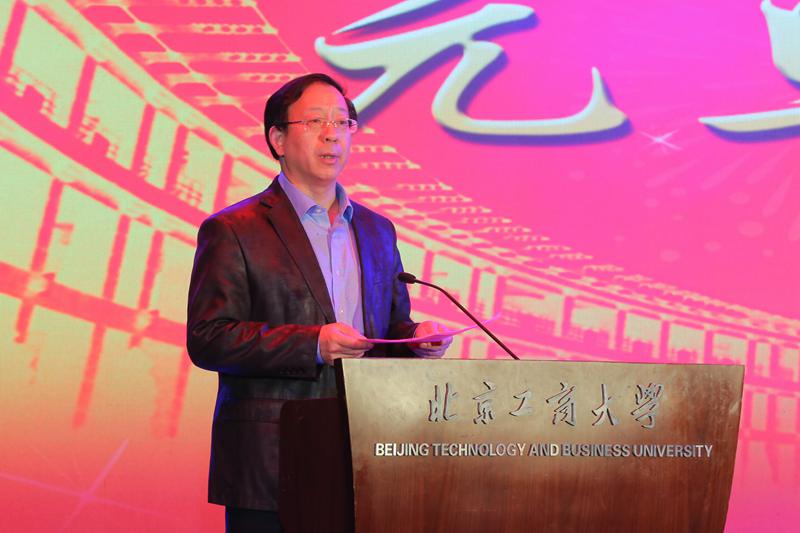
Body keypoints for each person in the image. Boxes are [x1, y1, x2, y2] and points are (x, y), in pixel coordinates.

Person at [186, 73, 453, 533]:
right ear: (278, 139)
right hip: (273, 461)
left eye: (343, 122)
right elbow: (210, 338)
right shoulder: (234, 230)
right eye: (315, 122)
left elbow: (391, 324)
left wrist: (416, 339)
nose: (333, 134)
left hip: (364, 453)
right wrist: (313, 344)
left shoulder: (377, 229)